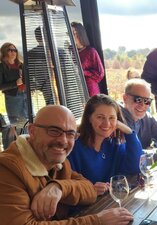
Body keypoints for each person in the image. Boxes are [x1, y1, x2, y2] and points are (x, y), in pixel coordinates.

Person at [0, 105, 133, 224]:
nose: (63, 140)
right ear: (32, 131)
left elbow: (90, 189)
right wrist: (96, 221)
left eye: (70, 134)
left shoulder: (59, 163)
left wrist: (59, 188)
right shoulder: (7, 168)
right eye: (53, 131)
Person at [68, 94, 143, 196]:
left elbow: (136, 166)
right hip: (86, 208)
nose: (106, 123)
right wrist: (91, 189)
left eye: (111, 118)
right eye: (100, 117)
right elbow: (68, 185)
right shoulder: (74, 147)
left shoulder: (114, 143)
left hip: (110, 202)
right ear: (89, 118)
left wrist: (129, 132)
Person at [121, 78, 157, 149]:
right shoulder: (114, 120)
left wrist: (154, 147)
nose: (143, 105)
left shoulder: (146, 118)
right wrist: (149, 153)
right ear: (125, 98)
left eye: (147, 101)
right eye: (138, 99)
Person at [71, 22, 104, 97]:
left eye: (74, 33)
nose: (73, 36)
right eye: (70, 33)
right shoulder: (70, 51)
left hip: (90, 90)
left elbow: (100, 74)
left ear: (80, 34)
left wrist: (82, 72)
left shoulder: (91, 51)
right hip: (75, 90)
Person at [0, 42, 28, 127]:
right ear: (4, 52)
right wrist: (15, 83)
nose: (13, 52)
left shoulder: (21, 65)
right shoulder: (1, 67)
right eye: (10, 50)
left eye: (15, 50)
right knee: (18, 125)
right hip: (13, 98)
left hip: (26, 96)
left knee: (29, 121)